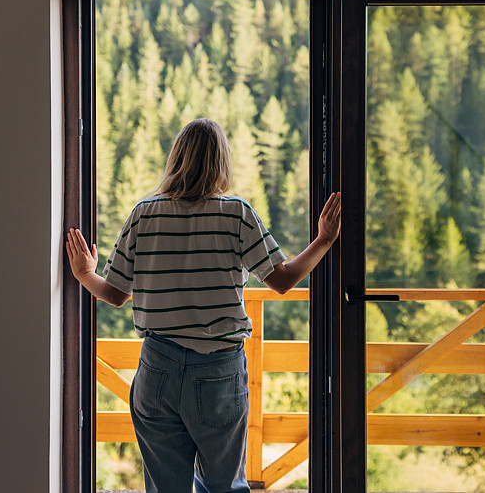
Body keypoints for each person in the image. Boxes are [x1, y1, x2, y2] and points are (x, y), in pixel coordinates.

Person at [66, 118, 340, 493]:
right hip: (218, 371)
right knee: (224, 486)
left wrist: (84, 274)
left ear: (176, 158)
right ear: (221, 163)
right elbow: (282, 280)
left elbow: (115, 294)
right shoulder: (237, 214)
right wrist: (323, 240)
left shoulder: (144, 214)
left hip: (157, 368)